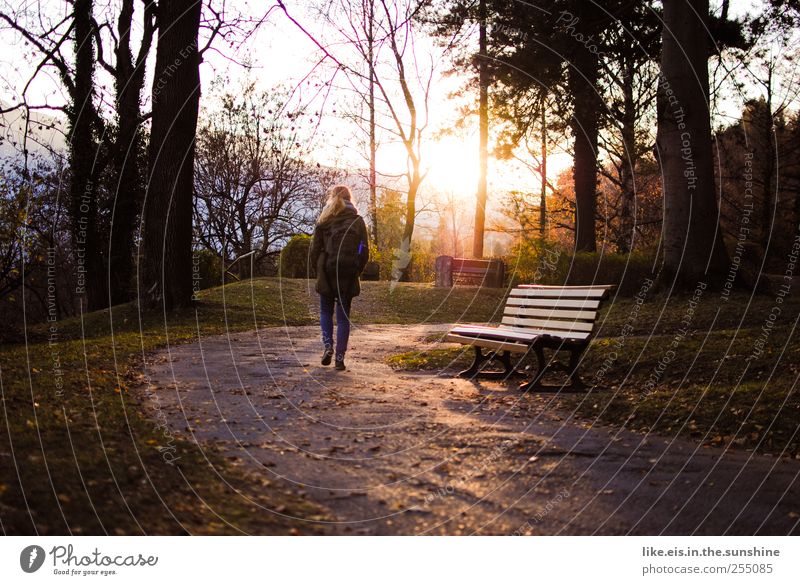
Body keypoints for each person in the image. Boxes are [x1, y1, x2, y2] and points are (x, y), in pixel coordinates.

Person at [310, 185, 370, 370]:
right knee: (343, 318)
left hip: (327, 270)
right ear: (350, 199)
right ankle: (340, 359)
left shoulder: (324, 221)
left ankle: (328, 346)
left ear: (332, 198)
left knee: (325, 311)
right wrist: (356, 268)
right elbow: (364, 250)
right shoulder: (358, 221)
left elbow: (314, 250)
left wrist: (317, 270)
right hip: (348, 271)